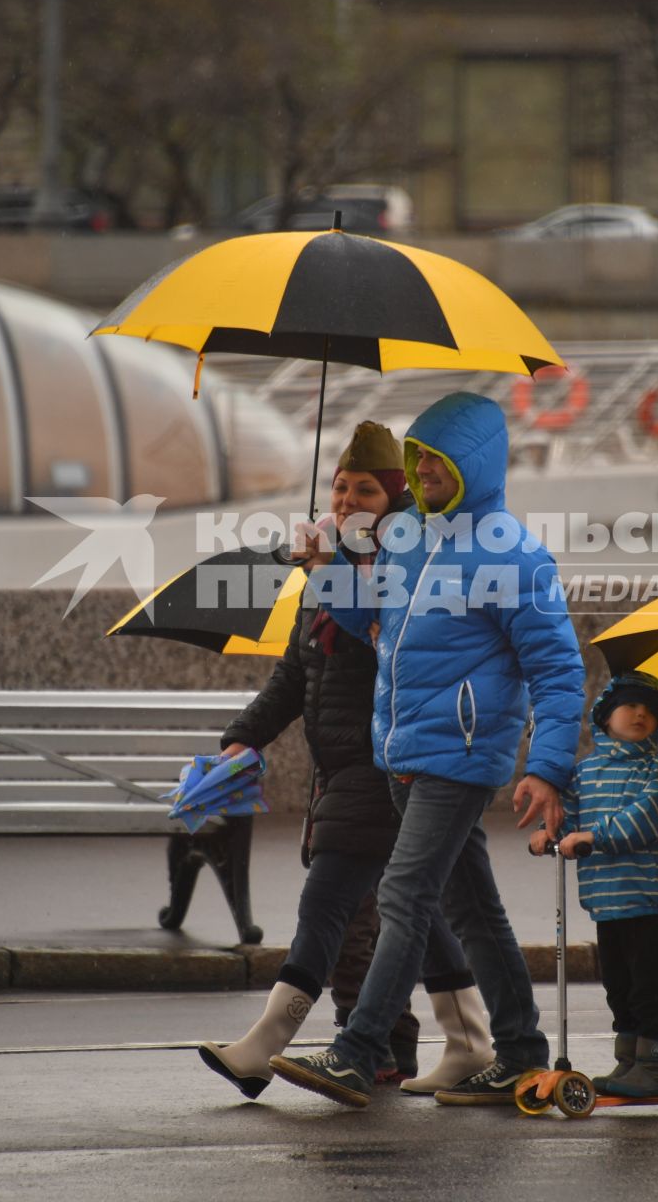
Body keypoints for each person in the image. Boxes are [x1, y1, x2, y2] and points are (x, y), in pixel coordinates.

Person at [271, 391, 586, 1110]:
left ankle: (357, 1050)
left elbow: (559, 670)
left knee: (403, 895)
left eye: (437, 461)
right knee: (473, 910)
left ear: (474, 466)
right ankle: (519, 1053)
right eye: (417, 460)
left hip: (461, 755)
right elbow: (369, 618)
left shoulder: (515, 554)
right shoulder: (408, 534)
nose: (425, 472)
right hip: (401, 749)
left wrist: (546, 767)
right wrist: (323, 569)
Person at [196, 422, 491, 1099]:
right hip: (348, 772)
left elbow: (390, 641)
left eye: (365, 490)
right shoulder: (325, 575)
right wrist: (244, 737)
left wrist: (328, 571)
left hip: (386, 762)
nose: (347, 499)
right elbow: (295, 678)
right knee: (424, 912)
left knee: (326, 904)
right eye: (339, 486)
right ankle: (471, 1039)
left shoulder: (403, 564)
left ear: (393, 500)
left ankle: (263, 1046)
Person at [529, 670, 658, 1099]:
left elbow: (644, 821)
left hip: (651, 896)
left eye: (650, 711)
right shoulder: (585, 772)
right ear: (604, 718)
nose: (639, 714)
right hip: (606, 898)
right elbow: (570, 817)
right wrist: (552, 833)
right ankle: (630, 1058)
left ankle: (656, 1065)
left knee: (648, 981)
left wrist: (593, 837)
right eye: (629, 706)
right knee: (617, 982)